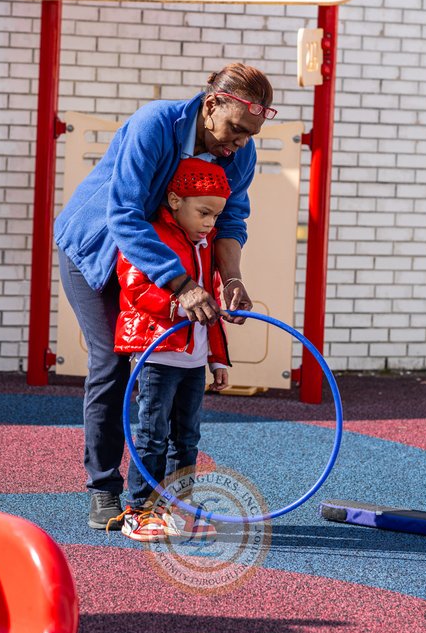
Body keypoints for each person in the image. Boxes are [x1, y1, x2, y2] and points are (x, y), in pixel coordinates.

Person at [54, 62, 276, 531]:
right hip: (98, 247)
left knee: (176, 375)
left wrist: (230, 279)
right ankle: (103, 487)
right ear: (212, 104)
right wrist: (184, 285)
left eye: (250, 134)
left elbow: (231, 222)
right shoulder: (155, 123)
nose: (239, 142)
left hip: (167, 260)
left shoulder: (240, 153)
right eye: (236, 129)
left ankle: (168, 497)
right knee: (114, 362)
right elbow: (125, 215)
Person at [114, 158, 232, 541]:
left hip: (193, 360)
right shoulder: (151, 236)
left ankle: (177, 509)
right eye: (204, 212)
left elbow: (210, 304)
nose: (210, 223)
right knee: (152, 433)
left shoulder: (205, 244)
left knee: (187, 436)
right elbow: (134, 287)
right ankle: (138, 509)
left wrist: (217, 359)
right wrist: (176, 304)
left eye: (216, 215)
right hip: (158, 355)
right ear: (175, 199)